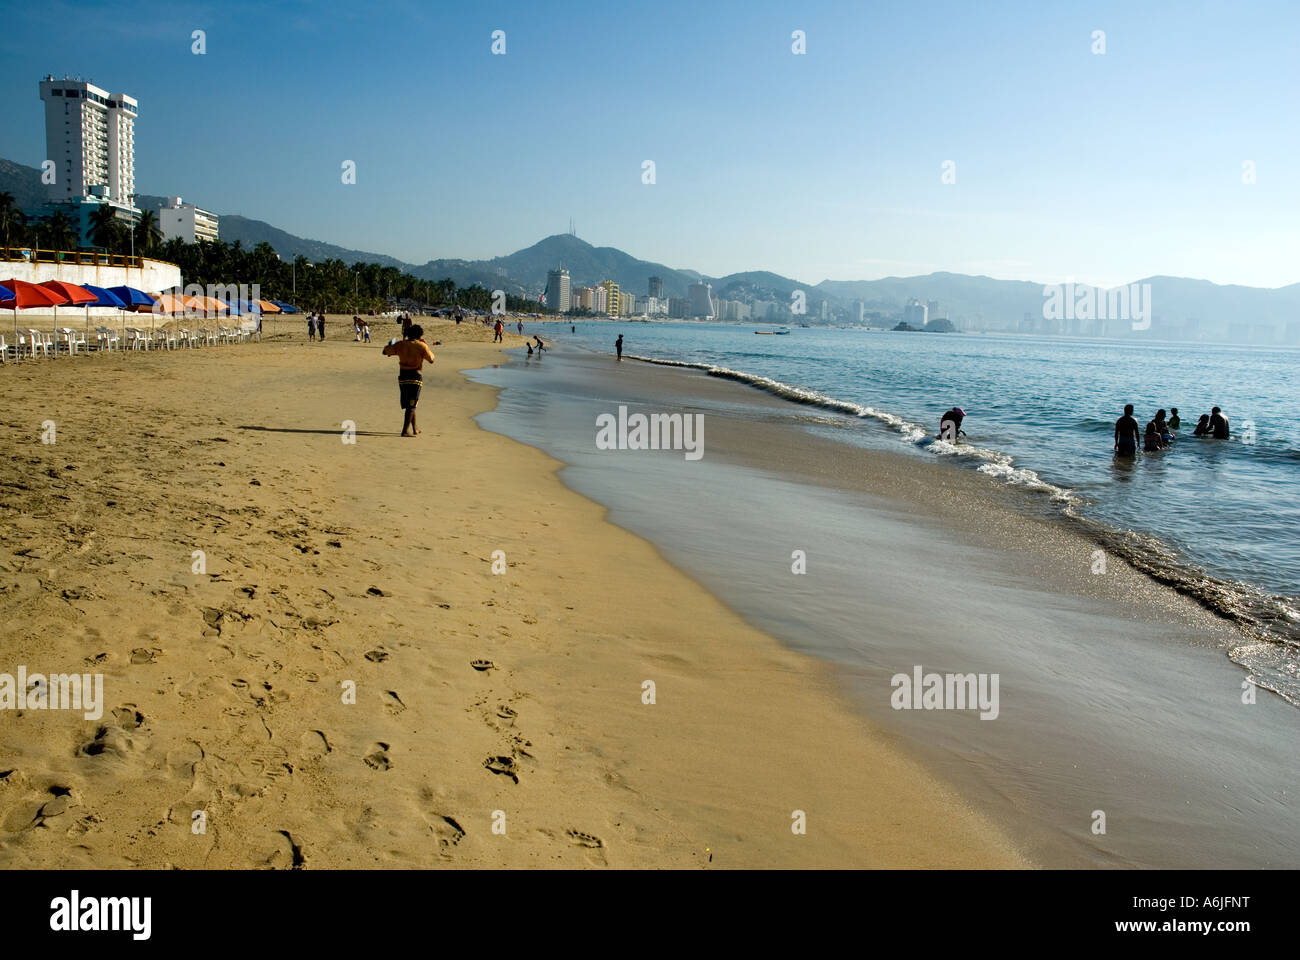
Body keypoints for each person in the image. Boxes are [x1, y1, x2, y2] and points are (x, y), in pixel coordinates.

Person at [382, 324, 436, 437]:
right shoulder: (421, 345)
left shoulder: (400, 344)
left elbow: (385, 352)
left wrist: (389, 344)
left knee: (410, 404)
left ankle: (415, 428)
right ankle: (405, 431)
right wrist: (425, 345)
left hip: (403, 377)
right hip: (415, 377)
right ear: (420, 335)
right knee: (412, 405)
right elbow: (431, 359)